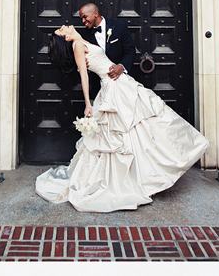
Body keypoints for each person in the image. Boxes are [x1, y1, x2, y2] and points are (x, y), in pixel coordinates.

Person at [35, 25, 209, 212]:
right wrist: (88, 103)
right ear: (66, 38)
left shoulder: (83, 41)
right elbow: (83, 76)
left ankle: (149, 172)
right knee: (122, 131)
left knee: (144, 124)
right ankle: (133, 179)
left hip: (120, 83)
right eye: (61, 31)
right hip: (112, 87)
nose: (64, 26)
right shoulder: (78, 46)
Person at [78, 3, 134, 82]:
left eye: (85, 17)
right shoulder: (84, 36)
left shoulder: (119, 27)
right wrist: (83, 64)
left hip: (120, 79)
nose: (83, 21)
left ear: (95, 14)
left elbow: (130, 52)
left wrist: (121, 67)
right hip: (97, 83)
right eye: (82, 18)